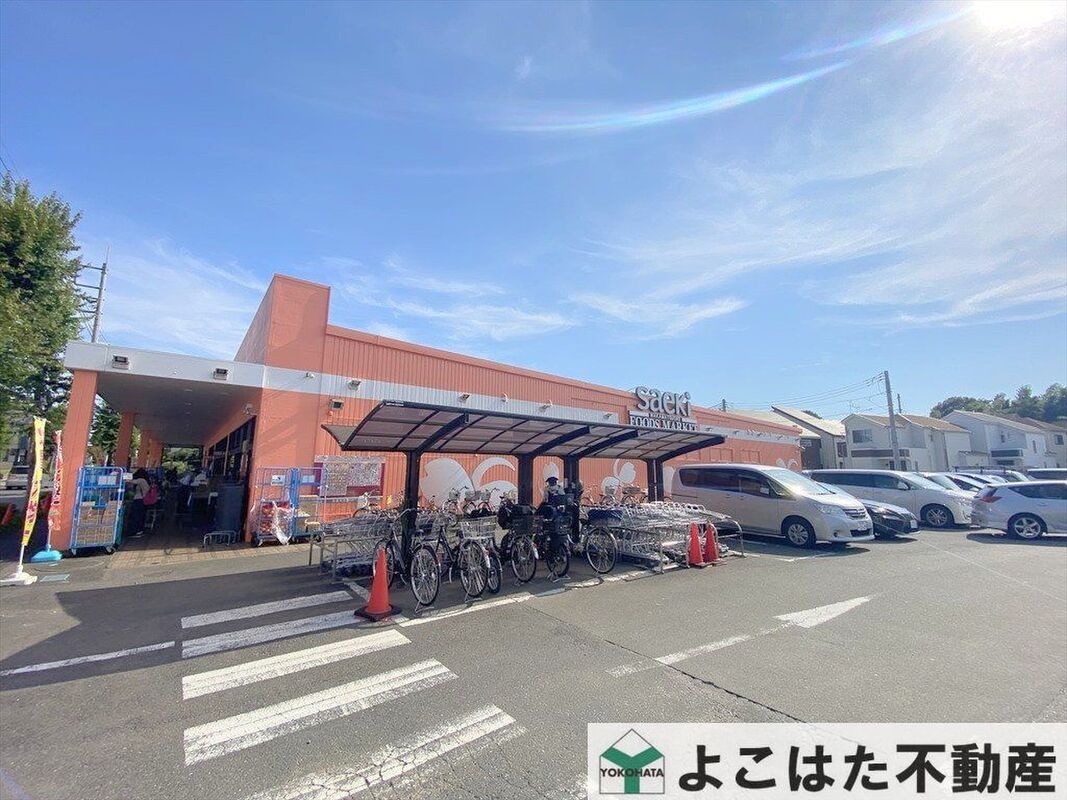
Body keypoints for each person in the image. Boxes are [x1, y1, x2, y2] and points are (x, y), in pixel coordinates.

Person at [126, 469, 150, 538]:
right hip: (143, 501)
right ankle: (139, 530)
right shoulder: (146, 481)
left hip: (139, 500)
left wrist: (126, 475)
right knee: (141, 516)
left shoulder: (141, 480)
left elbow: (130, 481)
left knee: (135, 516)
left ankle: (134, 531)